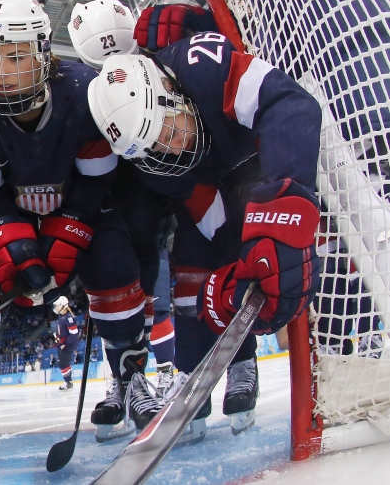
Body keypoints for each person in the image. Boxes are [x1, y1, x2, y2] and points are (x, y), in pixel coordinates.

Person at [0, 0, 149, 458]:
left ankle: (132, 376)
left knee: (113, 259)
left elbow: (96, 183)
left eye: (15, 56)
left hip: (79, 208)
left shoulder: (85, 93)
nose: (2, 72)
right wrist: (15, 245)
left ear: (43, 51)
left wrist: (67, 232)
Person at [87, 40, 323, 438]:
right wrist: (241, 255)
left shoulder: (201, 67)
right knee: (197, 267)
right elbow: (204, 204)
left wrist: (281, 211)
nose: (171, 151)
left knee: (273, 250)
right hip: (217, 183)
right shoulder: (155, 165)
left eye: (167, 130)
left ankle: (243, 362)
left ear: (170, 90)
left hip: (262, 163)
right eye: (153, 149)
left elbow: (290, 105)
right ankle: (192, 371)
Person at [69, 0, 178, 401]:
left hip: (144, 200)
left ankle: (157, 371)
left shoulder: (151, 68)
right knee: (119, 298)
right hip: (120, 205)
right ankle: (127, 378)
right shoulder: (85, 89)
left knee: (150, 296)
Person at [53, 296, 82, 390]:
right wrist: (59, 338)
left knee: (62, 363)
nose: (56, 307)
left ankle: (68, 382)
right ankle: (68, 382)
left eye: (57, 305)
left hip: (68, 345)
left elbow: (74, 334)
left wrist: (65, 343)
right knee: (63, 363)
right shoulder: (61, 316)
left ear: (62, 306)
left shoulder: (68, 318)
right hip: (64, 344)